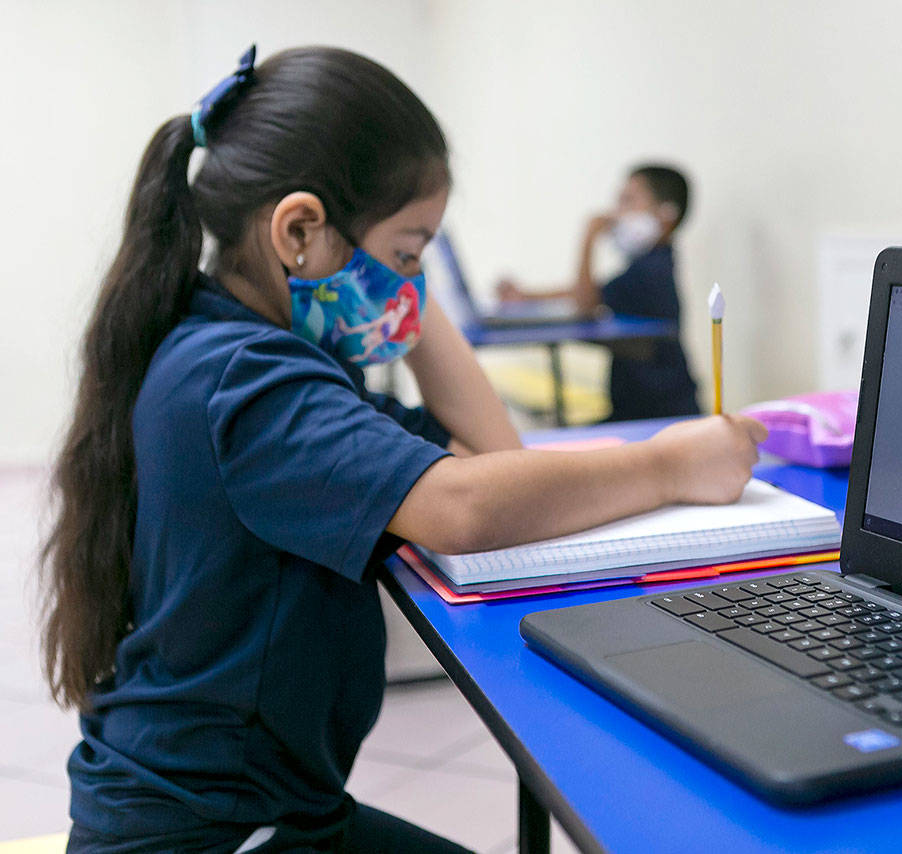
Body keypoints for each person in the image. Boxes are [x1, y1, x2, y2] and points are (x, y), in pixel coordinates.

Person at [40, 46, 766, 853]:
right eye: (404, 252)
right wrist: (668, 466)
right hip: (211, 833)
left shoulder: (262, 351)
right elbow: (465, 508)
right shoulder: (247, 378)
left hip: (262, 808)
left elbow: (490, 456)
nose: (411, 287)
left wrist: (400, 294)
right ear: (299, 231)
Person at [497, 165, 701, 421]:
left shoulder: (651, 272)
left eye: (628, 201)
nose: (616, 214)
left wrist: (590, 235)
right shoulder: (651, 264)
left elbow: (585, 303)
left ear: (666, 215)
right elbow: (594, 291)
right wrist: (526, 296)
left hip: (659, 413)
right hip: (643, 407)